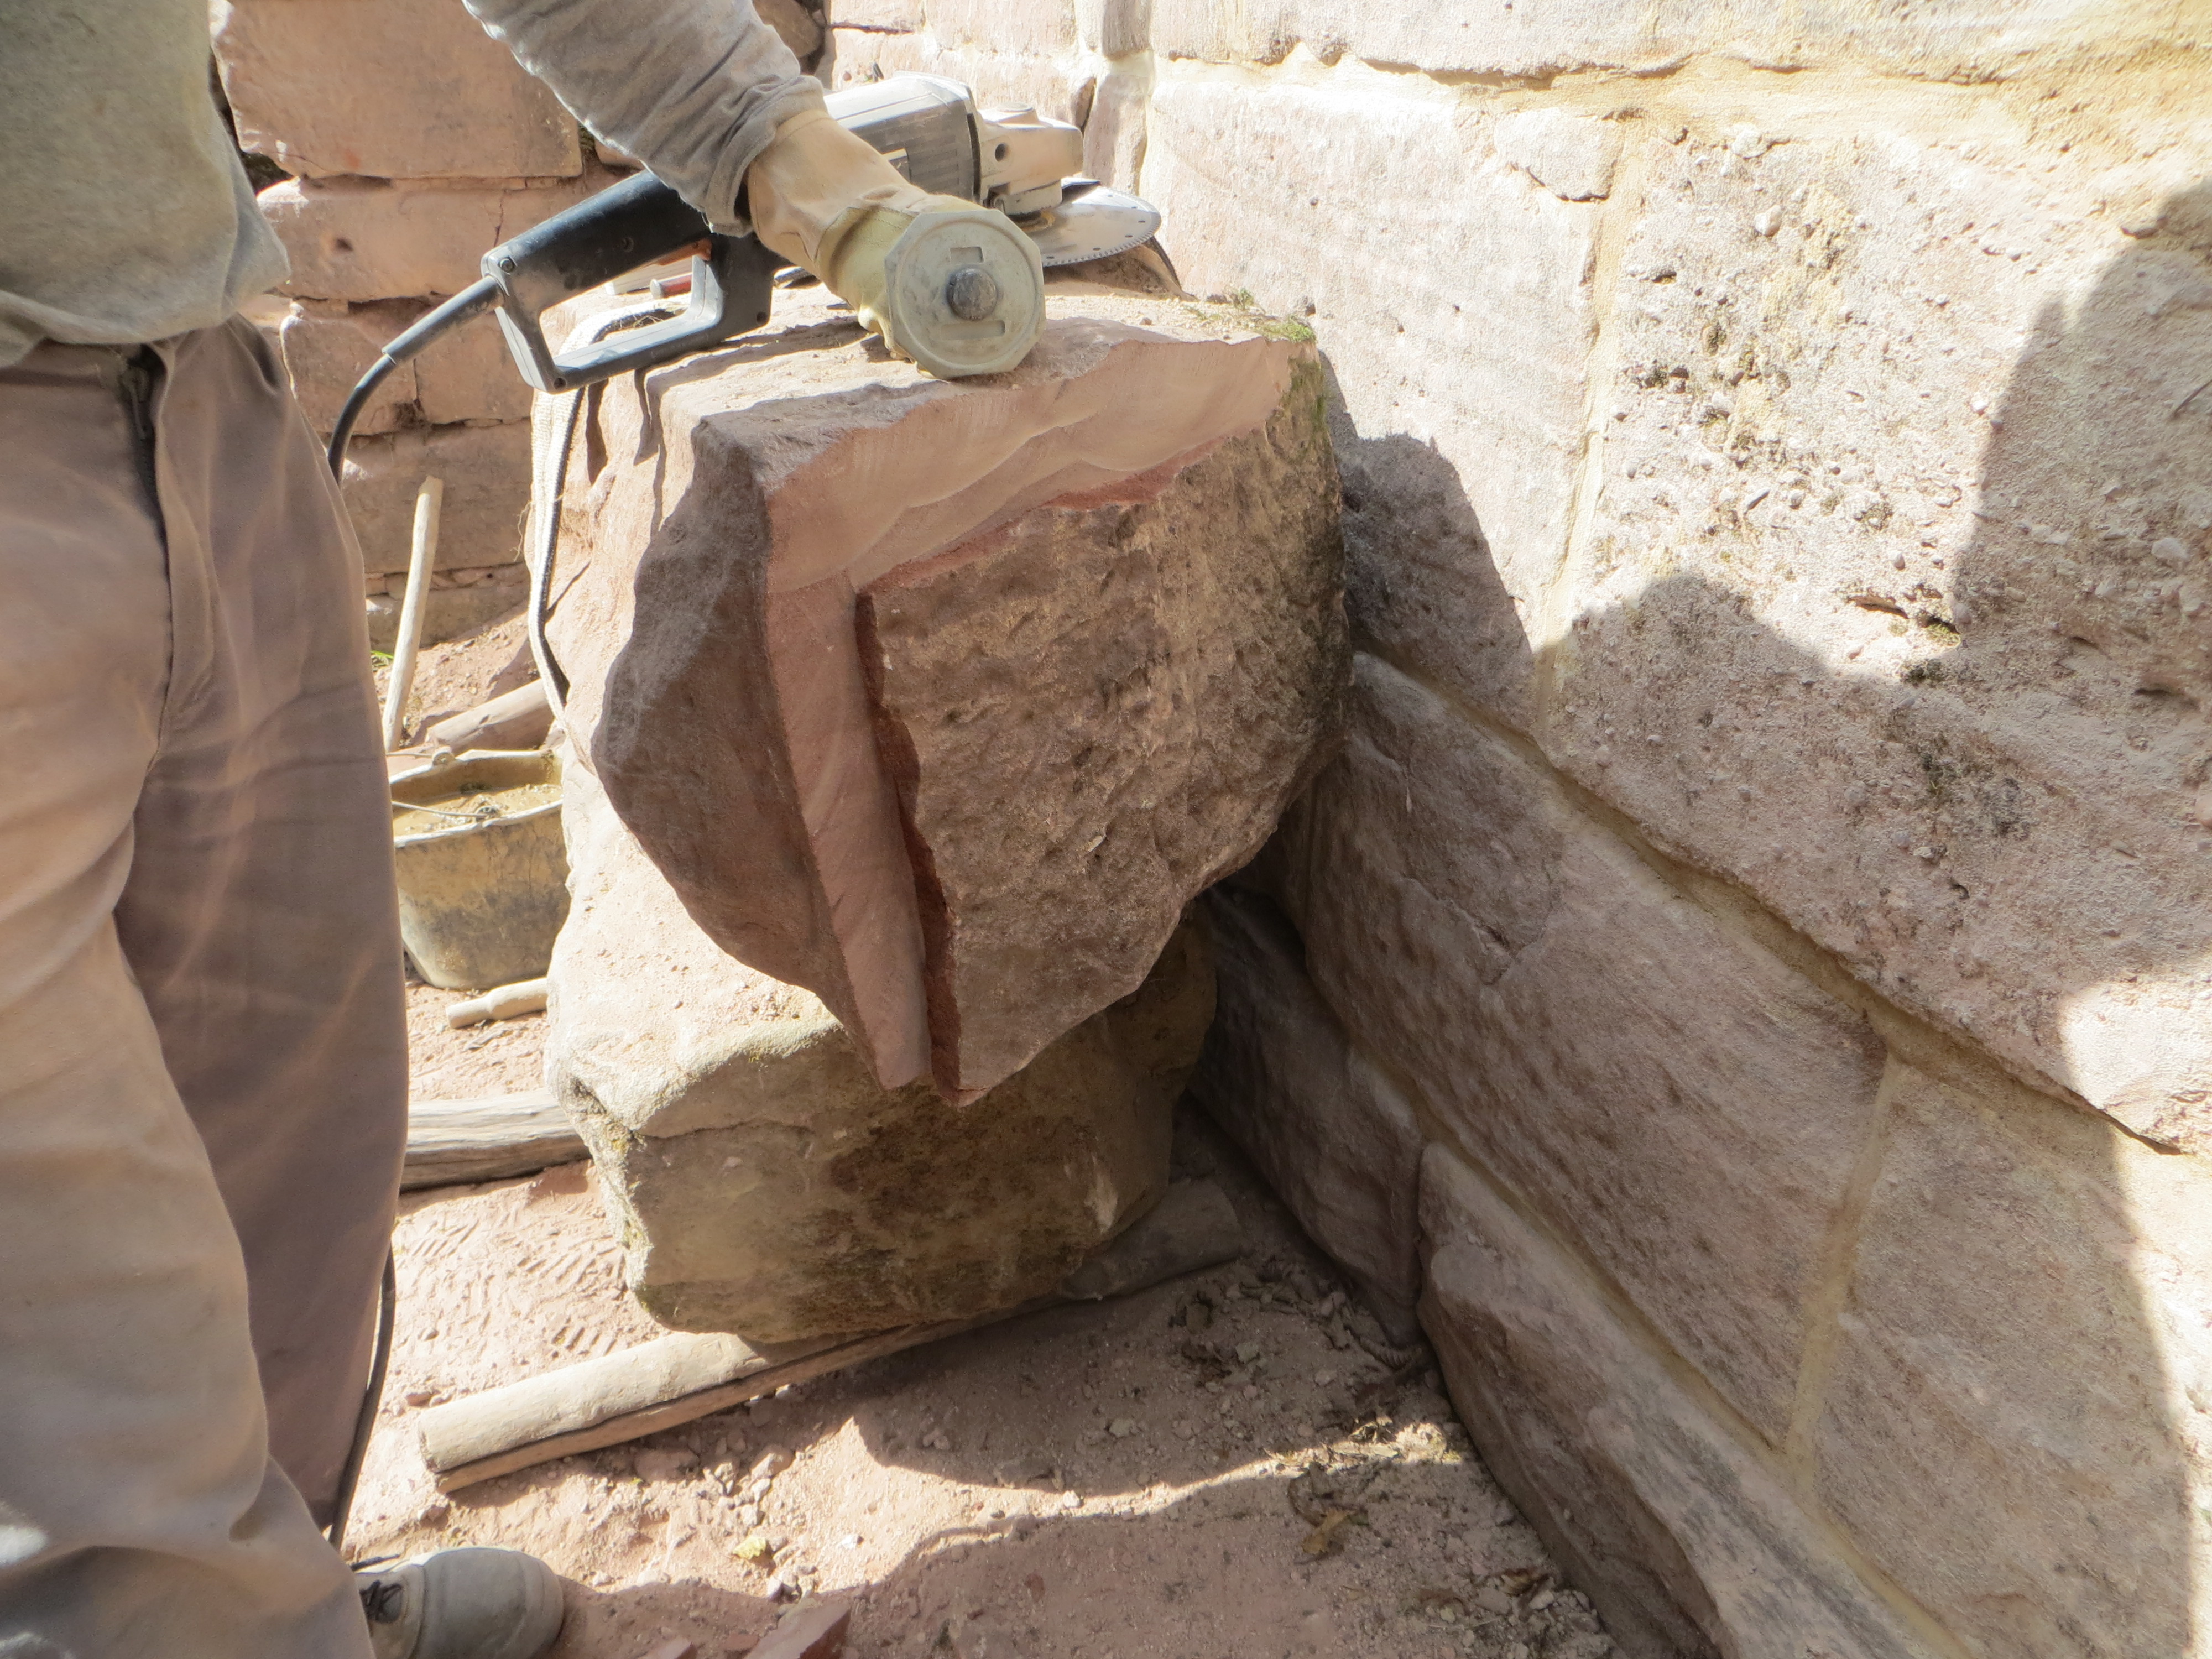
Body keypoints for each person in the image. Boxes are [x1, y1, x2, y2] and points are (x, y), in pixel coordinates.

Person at [0, 3, 987, 1655]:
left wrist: (813, 175)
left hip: (193, 378)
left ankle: (266, 1597)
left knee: (285, 1137)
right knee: (65, 1302)